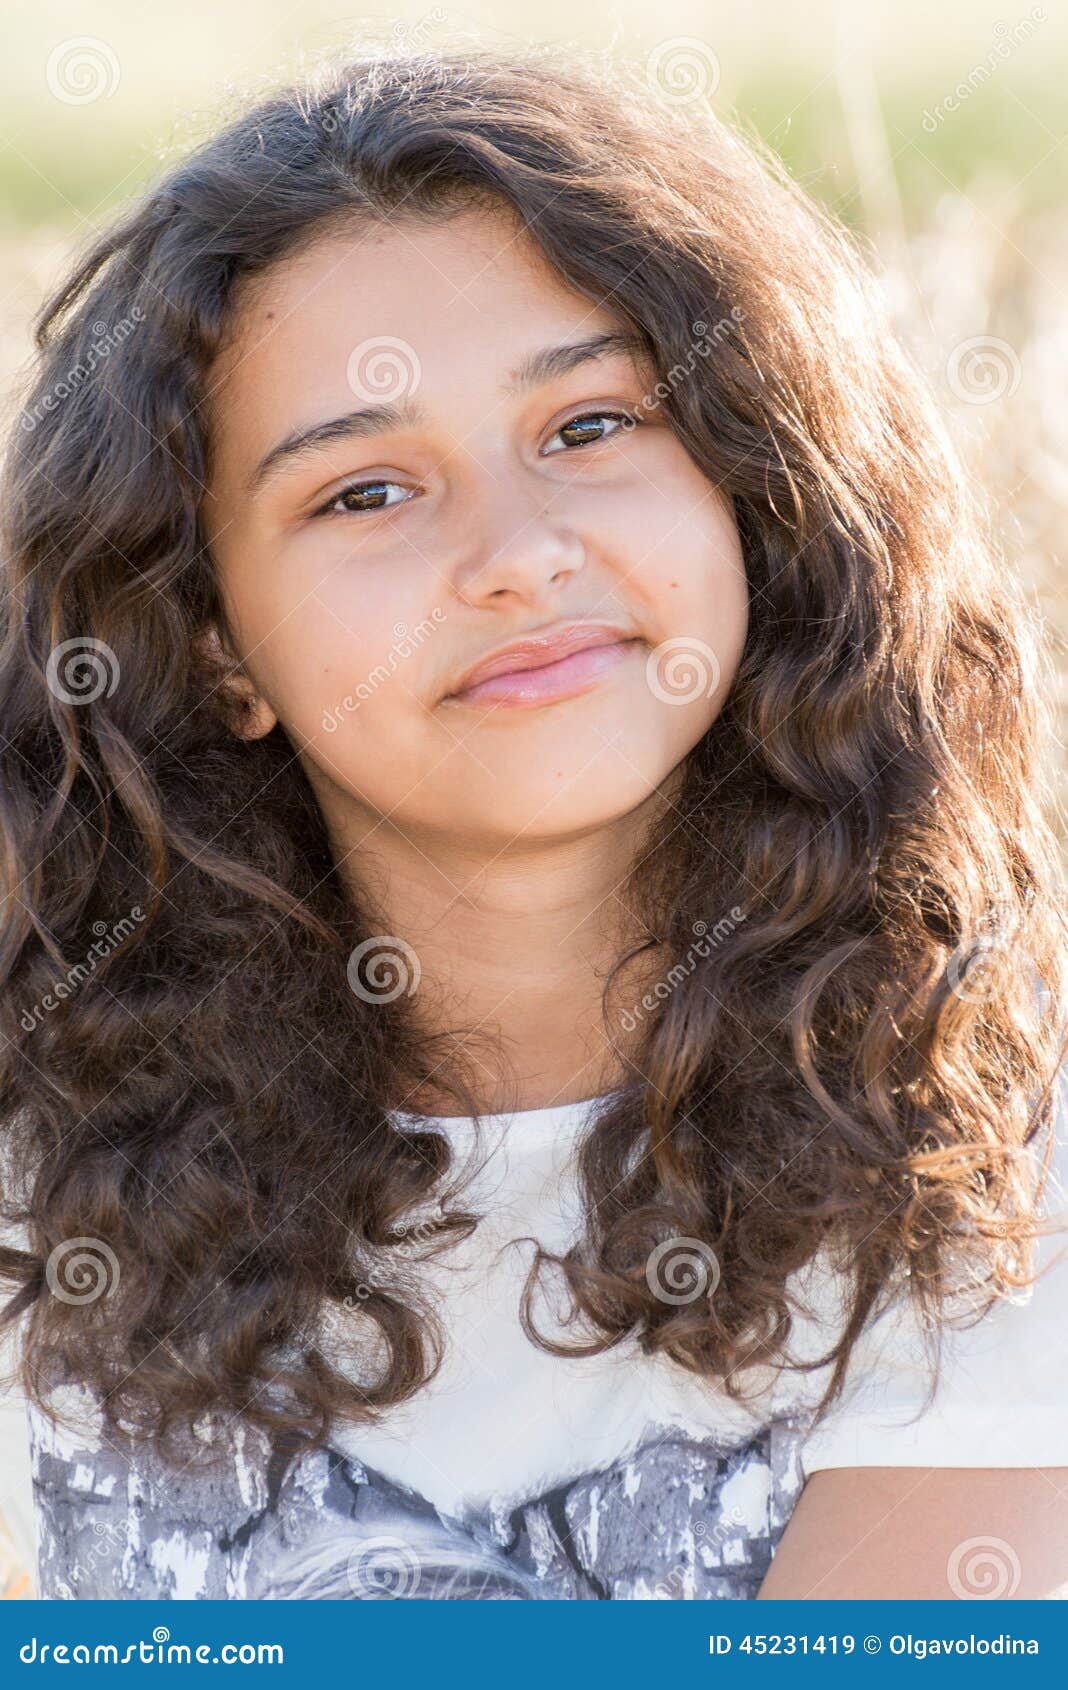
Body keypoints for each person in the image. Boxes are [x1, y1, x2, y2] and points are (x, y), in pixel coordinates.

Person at [1, 42, 1067, 1602]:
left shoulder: (993, 1109)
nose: (518, 555)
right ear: (216, 644)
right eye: (364, 491)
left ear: (750, 490)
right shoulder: (49, 1128)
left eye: (588, 427)